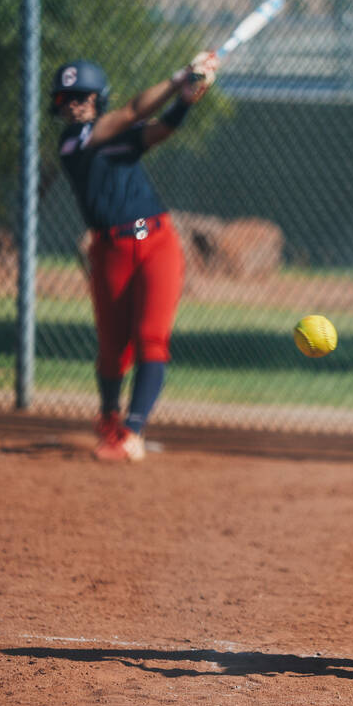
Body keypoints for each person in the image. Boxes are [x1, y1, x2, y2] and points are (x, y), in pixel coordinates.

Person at [51, 52, 220, 461]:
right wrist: (179, 77)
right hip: (110, 249)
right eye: (67, 98)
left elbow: (160, 129)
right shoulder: (73, 143)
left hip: (155, 238)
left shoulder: (118, 139)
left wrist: (187, 98)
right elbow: (130, 113)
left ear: (97, 99)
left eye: (84, 97)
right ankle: (109, 418)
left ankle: (132, 433)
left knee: (151, 339)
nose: (75, 104)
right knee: (113, 349)